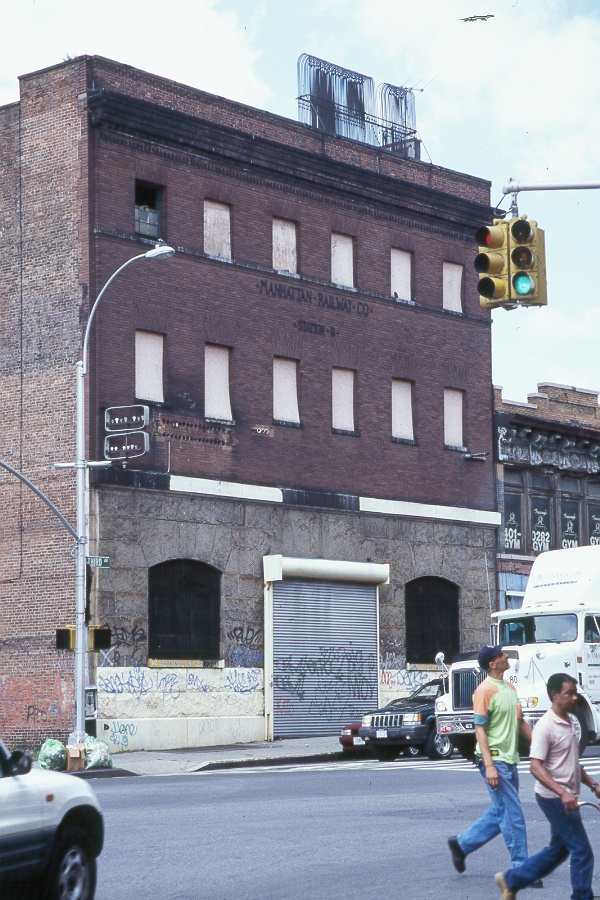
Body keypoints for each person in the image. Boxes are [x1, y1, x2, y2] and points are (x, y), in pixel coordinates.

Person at [494, 672, 599, 900]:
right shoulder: (545, 726)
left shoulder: (569, 721)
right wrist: (562, 793)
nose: (574, 697)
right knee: (582, 853)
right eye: (569, 693)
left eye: (575, 693)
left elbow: (572, 762)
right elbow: (535, 766)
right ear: (554, 695)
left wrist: (593, 785)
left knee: (558, 850)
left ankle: (511, 880)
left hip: (566, 797)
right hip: (555, 799)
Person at [448, 644, 537, 880]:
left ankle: (462, 845)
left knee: (503, 811)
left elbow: (520, 722)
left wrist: (541, 746)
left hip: (509, 759)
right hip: (495, 759)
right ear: (492, 663)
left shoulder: (510, 688)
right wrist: (489, 766)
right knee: (513, 815)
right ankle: (521, 869)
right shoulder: (484, 691)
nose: (506, 656)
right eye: (501, 655)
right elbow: (480, 729)